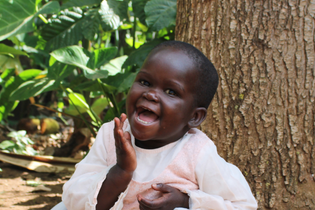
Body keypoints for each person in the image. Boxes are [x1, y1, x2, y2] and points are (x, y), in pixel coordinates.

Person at [53, 41, 258, 210]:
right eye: (145, 82)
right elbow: (73, 200)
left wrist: (185, 201)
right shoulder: (111, 135)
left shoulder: (197, 153)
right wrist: (121, 171)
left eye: (171, 92)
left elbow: (244, 206)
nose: (150, 94)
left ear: (194, 117)